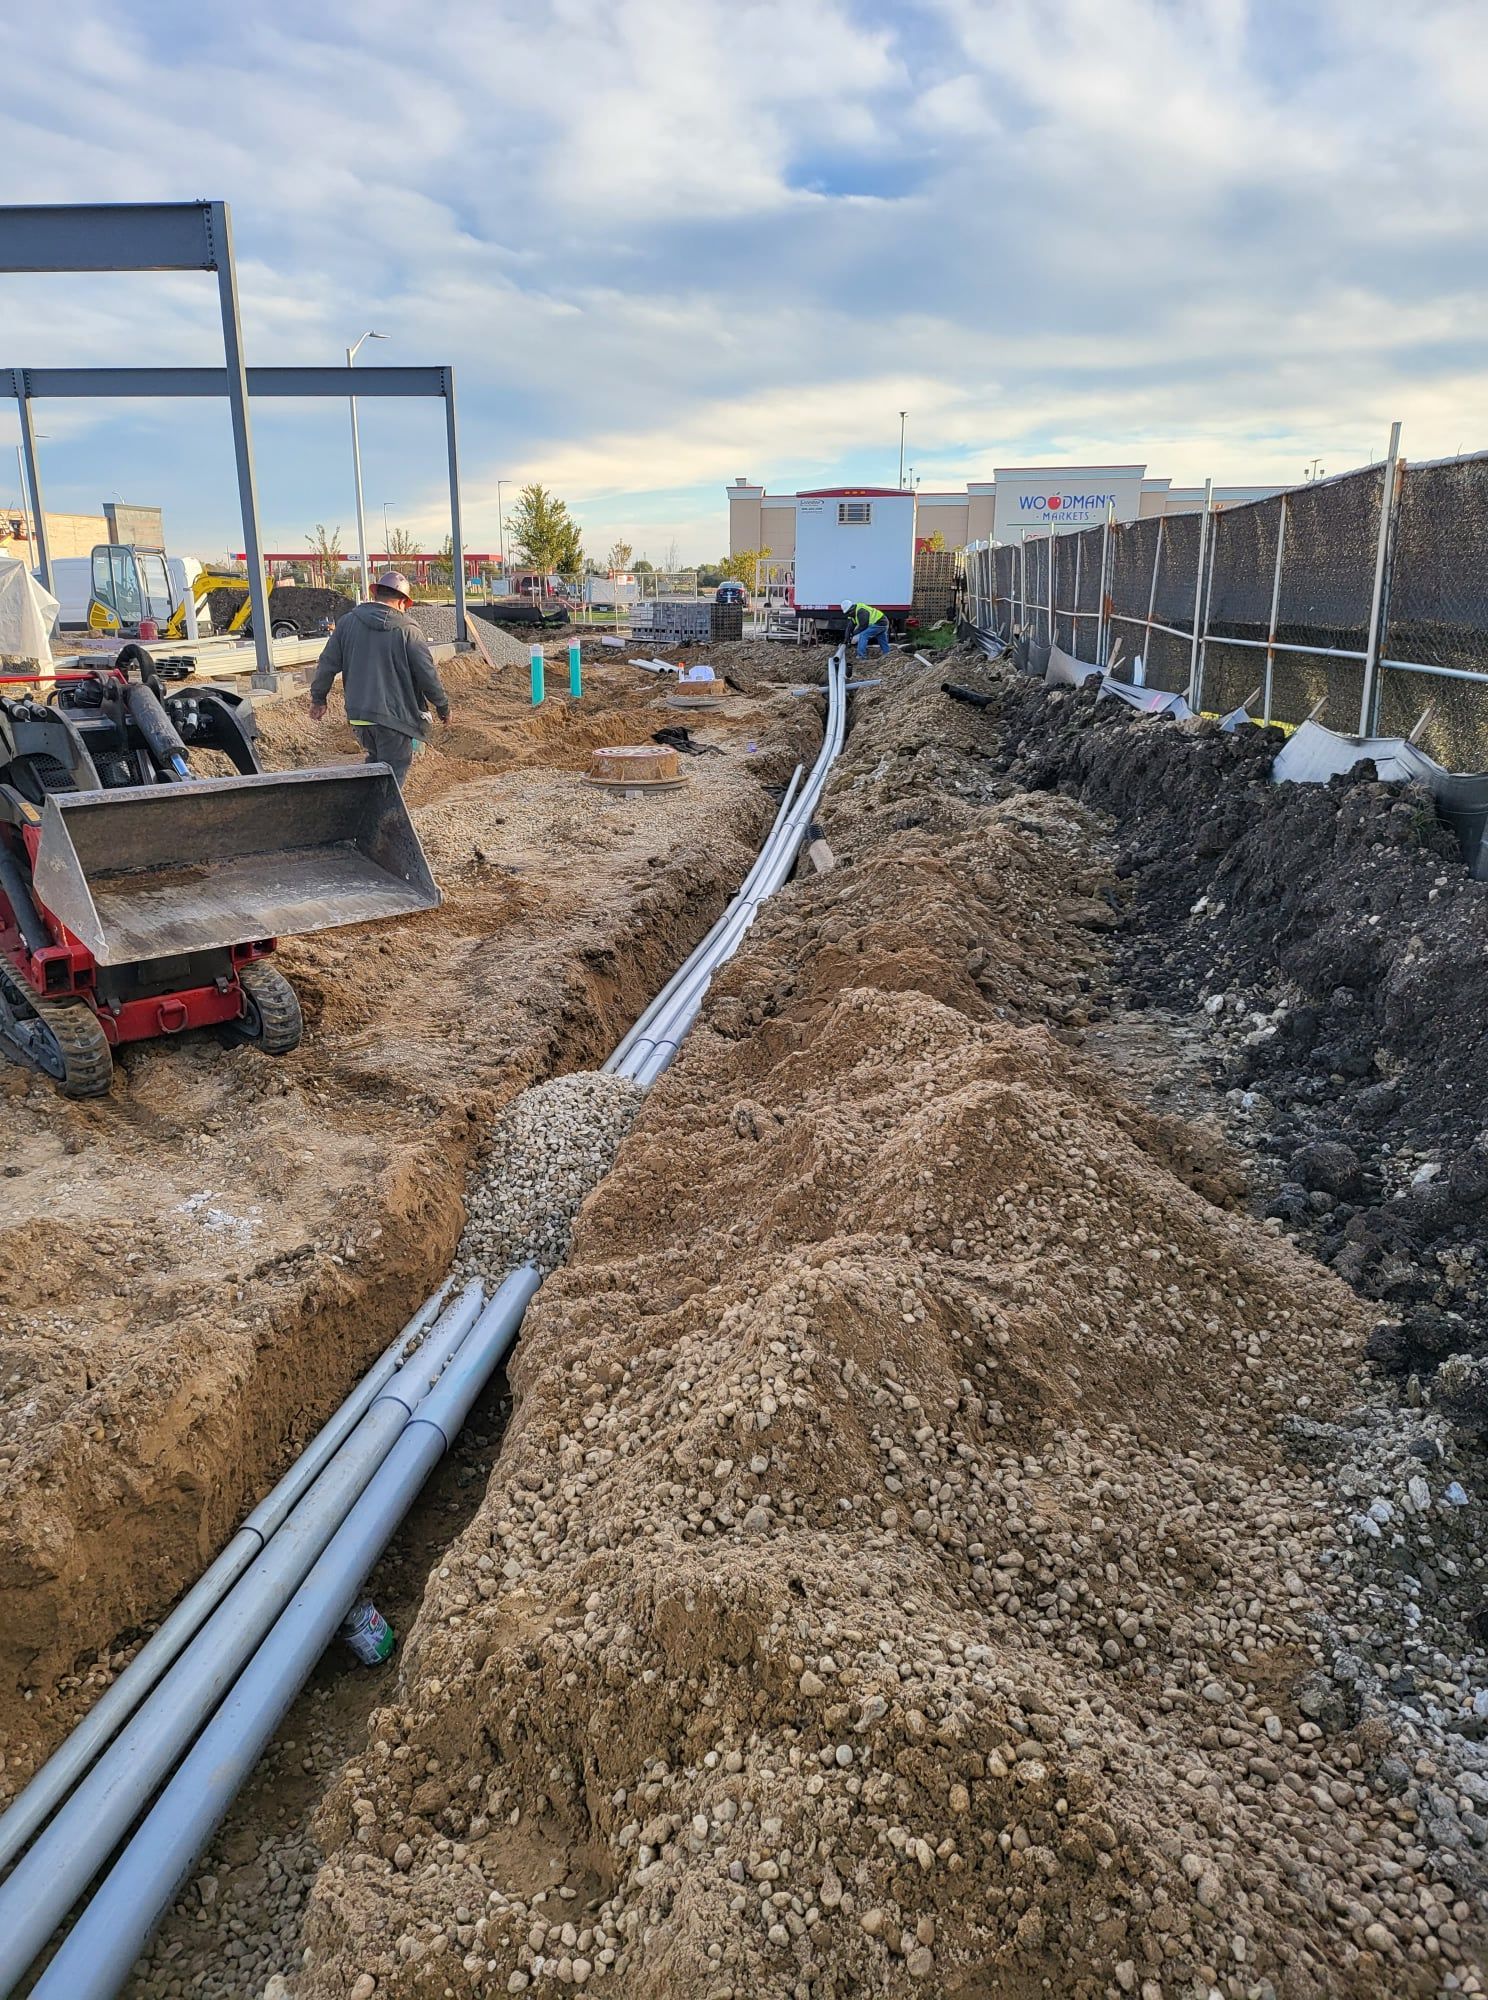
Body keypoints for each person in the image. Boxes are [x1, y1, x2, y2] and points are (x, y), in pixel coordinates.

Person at [308, 570, 450, 790]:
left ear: (376, 595)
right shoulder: (408, 630)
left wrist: (319, 699)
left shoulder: (347, 623)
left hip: (360, 717)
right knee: (394, 772)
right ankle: (384, 811)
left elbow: (327, 664)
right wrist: (442, 706)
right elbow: (426, 673)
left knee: (376, 767)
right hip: (394, 718)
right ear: (402, 602)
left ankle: (366, 807)